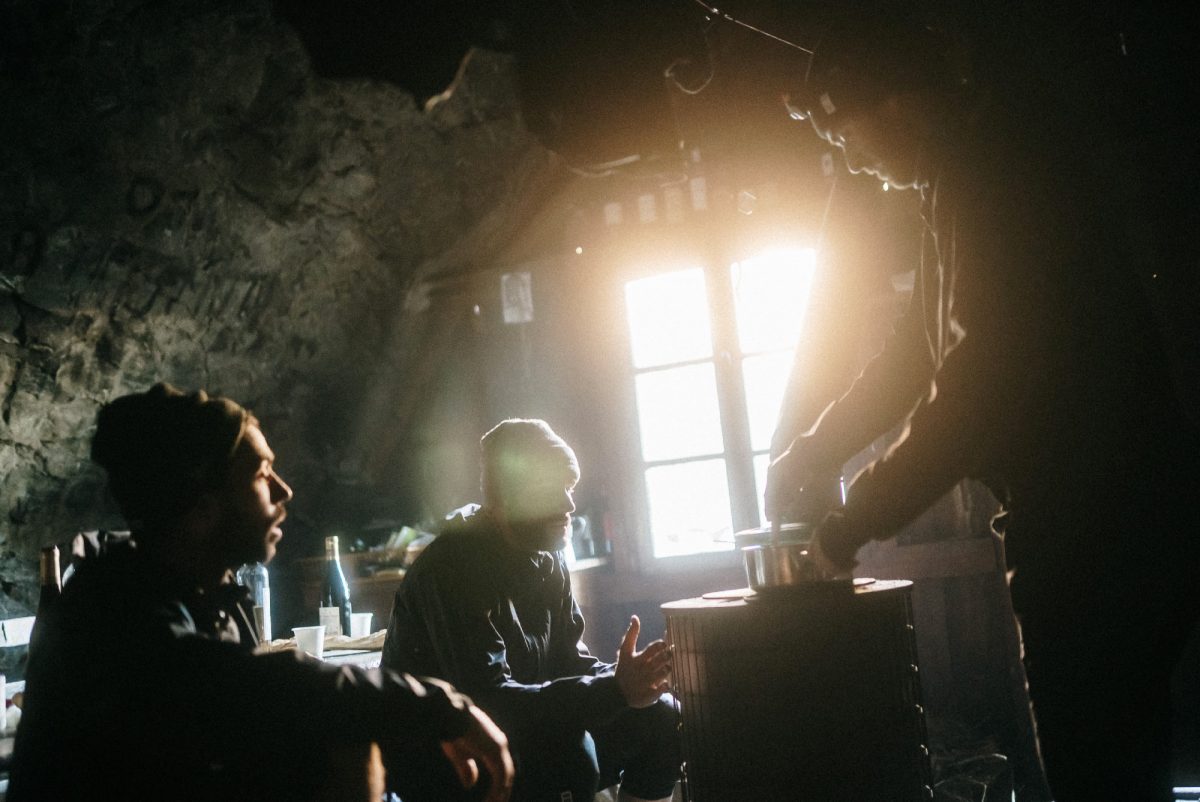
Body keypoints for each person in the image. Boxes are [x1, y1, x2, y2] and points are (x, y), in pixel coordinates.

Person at [764, 10, 1200, 802]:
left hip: (1102, 516)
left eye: (846, 135)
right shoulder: (959, 175)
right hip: (1108, 510)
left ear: (890, 102)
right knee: (1108, 748)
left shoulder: (985, 175)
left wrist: (853, 521)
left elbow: (979, 380)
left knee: (1100, 756)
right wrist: (817, 448)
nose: (851, 160)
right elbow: (914, 355)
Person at [7, 383, 514, 802]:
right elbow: (246, 684)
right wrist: (442, 706)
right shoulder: (108, 608)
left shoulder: (207, 590)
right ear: (202, 508)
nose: (285, 491)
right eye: (260, 474)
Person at [382, 419, 679, 802]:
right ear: (505, 500)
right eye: (550, 489)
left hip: (522, 724)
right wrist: (614, 690)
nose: (570, 504)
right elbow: (487, 701)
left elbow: (568, 662)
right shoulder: (452, 569)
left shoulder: (546, 557)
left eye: (569, 488)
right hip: (447, 753)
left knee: (662, 716)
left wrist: (639, 678)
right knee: (572, 751)